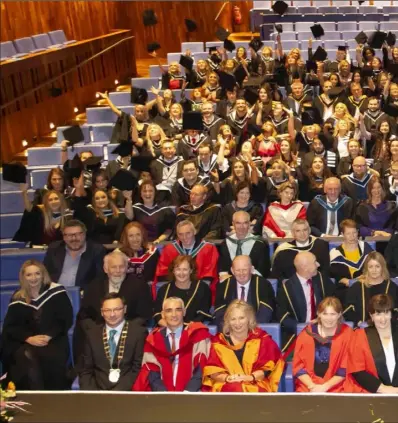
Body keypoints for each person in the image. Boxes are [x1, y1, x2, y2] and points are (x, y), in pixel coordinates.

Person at [0, 260, 73, 390]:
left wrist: (49, 335)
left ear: (43, 274)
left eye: (37, 273)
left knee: (40, 357)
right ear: (23, 277)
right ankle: (35, 396)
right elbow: (10, 327)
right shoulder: (18, 297)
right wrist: (28, 338)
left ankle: (41, 398)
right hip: (26, 342)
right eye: (29, 275)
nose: (33, 278)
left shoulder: (57, 291)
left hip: (53, 341)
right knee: (25, 355)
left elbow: (65, 319)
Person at [202, 300, 284, 392]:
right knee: (233, 388)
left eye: (241, 318)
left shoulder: (262, 339)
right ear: (228, 321)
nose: (237, 323)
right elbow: (213, 371)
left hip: (255, 382)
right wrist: (228, 378)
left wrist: (250, 377)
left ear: (249, 319)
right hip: (226, 385)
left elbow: (267, 369)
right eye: (233, 319)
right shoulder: (218, 342)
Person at [133, 297, 211, 391]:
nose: (174, 315)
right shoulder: (153, 339)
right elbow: (151, 370)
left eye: (178, 310)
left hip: (192, 394)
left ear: (184, 312)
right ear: (163, 314)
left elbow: (202, 367)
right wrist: (165, 395)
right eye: (169, 310)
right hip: (162, 396)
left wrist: (188, 392)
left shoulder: (198, 335)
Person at [77, 293, 147, 391]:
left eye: (117, 309)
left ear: (125, 309)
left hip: (126, 392)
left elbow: (137, 368)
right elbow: (86, 370)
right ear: (102, 312)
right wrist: (93, 394)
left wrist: (116, 394)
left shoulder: (138, 333)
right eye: (107, 310)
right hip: (97, 393)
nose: (112, 314)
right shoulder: (91, 334)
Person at [276, 252, 335, 352]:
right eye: (314, 262)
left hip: (323, 327)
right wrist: (301, 328)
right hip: (298, 333)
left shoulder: (322, 279)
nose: (318, 264)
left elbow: (334, 303)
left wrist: (322, 319)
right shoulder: (286, 288)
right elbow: (282, 316)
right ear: (304, 267)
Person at [293, 297, 353, 393]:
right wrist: (312, 386)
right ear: (319, 314)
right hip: (309, 386)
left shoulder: (347, 334)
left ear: (339, 314)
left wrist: (325, 387)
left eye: (333, 314)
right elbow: (298, 367)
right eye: (325, 314)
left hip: (337, 386)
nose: (329, 318)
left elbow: (345, 368)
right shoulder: (306, 334)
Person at [77, 250, 153, 325]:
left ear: (127, 268)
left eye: (121, 267)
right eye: (113, 267)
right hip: (99, 331)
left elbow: (145, 316)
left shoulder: (139, 286)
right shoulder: (94, 286)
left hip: (129, 331)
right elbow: (85, 315)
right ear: (105, 269)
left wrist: (125, 329)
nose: (118, 271)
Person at [152, 220, 219, 300]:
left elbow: (209, 275)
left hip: (199, 290)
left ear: (194, 232)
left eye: (188, 233)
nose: (184, 237)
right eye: (181, 234)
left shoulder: (208, 248)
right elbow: (162, 272)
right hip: (174, 290)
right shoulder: (170, 249)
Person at [345, 294, 398, 393]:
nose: (383, 319)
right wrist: (383, 389)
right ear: (371, 315)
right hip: (373, 394)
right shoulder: (359, 336)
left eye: (386, 313)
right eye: (378, 314)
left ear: (391, 313)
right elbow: (357, 370)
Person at [43, 219, 106, 291]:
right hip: (56, 293)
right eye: (69, 235)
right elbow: (44, 273)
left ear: (85, 234)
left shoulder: (96, 250)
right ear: (64, 237)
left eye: (78, 234)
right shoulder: (54, 248)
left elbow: (99, 279)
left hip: (82, 294)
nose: (74, 238)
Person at [214, 255, 275, 329]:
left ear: (252, 269)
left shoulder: (264, 285)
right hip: (231, 330)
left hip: (255, 330)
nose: (241, 273)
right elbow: (220, 313)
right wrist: (232, 329)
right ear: (232, 271)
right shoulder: (223, 286)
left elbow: (265, 312)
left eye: (244, 270)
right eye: (238, 270)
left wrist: (250, 329)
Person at [154, 255, 212, 325]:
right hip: (167, 328)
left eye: (185, 269)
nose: (181, 273)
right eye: (178, 269)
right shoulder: (164, 289)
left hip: (191, 329)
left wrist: (186, 328)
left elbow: (203, 314)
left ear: (191, 270)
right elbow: (157, 314)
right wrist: (170, 327)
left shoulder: (202, 288)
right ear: (173, 271)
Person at [343, 252, 398, 326]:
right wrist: (358, 322)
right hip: (362, 329)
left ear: (382, 268)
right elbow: (348, 311)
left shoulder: (392, 287)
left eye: (377, 266)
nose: (374, 270)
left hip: (387, 328)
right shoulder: (356, 288)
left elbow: (395, 311)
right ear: (366, 268)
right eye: (370, 267)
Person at [218, 211, 270, 280]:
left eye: (245, 223)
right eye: (238, 223)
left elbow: (263, 270)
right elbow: (222, 269)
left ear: (249, 224)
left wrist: (243, 279)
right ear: (233, 224)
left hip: (253, 282)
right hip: (230, 283)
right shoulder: (225, 243)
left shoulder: (260, 244)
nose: (241, 227)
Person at [330, 219, 374, 291]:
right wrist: (353, 281)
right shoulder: (336, 253)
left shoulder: (366, 248)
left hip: (365, 286)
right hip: (345, 289)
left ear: (357, 232)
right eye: (348, 233)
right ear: (342, 234)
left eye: (354, 232)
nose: (352, 236)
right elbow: (339, 279)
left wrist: (353, 280)